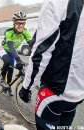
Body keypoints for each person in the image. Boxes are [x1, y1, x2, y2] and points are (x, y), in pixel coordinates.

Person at [19, 0, 84, 130]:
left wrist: (27, 86)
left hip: (55, 92)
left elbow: (41, 51)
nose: (20, 25)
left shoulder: (57, 2)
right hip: (78, 93)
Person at [0, 11, 33, 96]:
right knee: (7, 61)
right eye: (18, 23)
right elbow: (11, 46)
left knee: (11, 70)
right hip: (3, 49)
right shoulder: (9, 32)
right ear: (14, 23)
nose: (21, 25)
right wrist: (18, 59)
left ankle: (8, 86)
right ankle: (1, 79)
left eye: (23, 23)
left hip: (11, 52)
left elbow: (32, 43)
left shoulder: (25, 32)